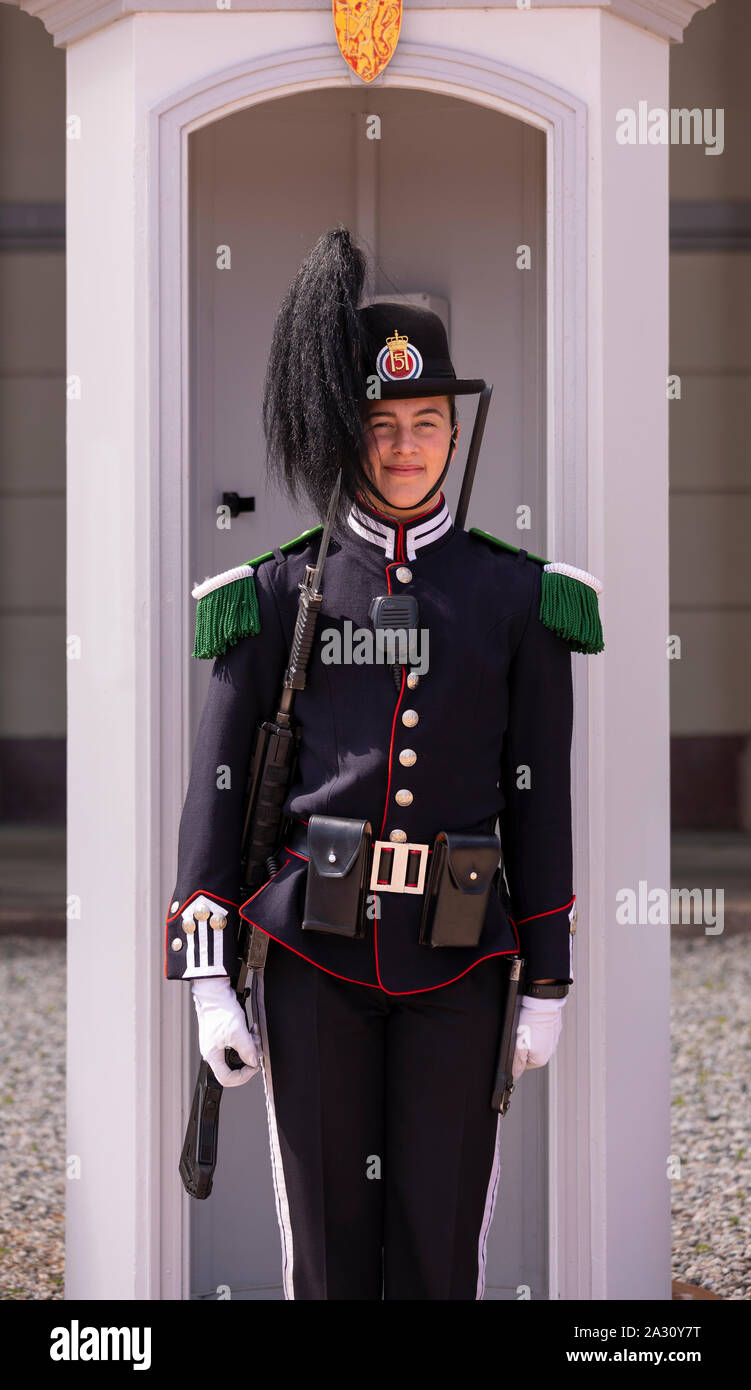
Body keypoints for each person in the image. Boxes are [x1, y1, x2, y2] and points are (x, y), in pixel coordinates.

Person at [163, 228, 604, 1300]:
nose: (405, 448)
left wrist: (546, 975)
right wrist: (208, 980)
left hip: (460, 961)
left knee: (439, 1243)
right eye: (380, 425)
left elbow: (537, 799)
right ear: (347, 436)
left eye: (426, 423)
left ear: (455, 432)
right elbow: (218, 793)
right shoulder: (271, 596)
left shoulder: (517, 599)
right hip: (312, 959)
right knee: (324, 1244)